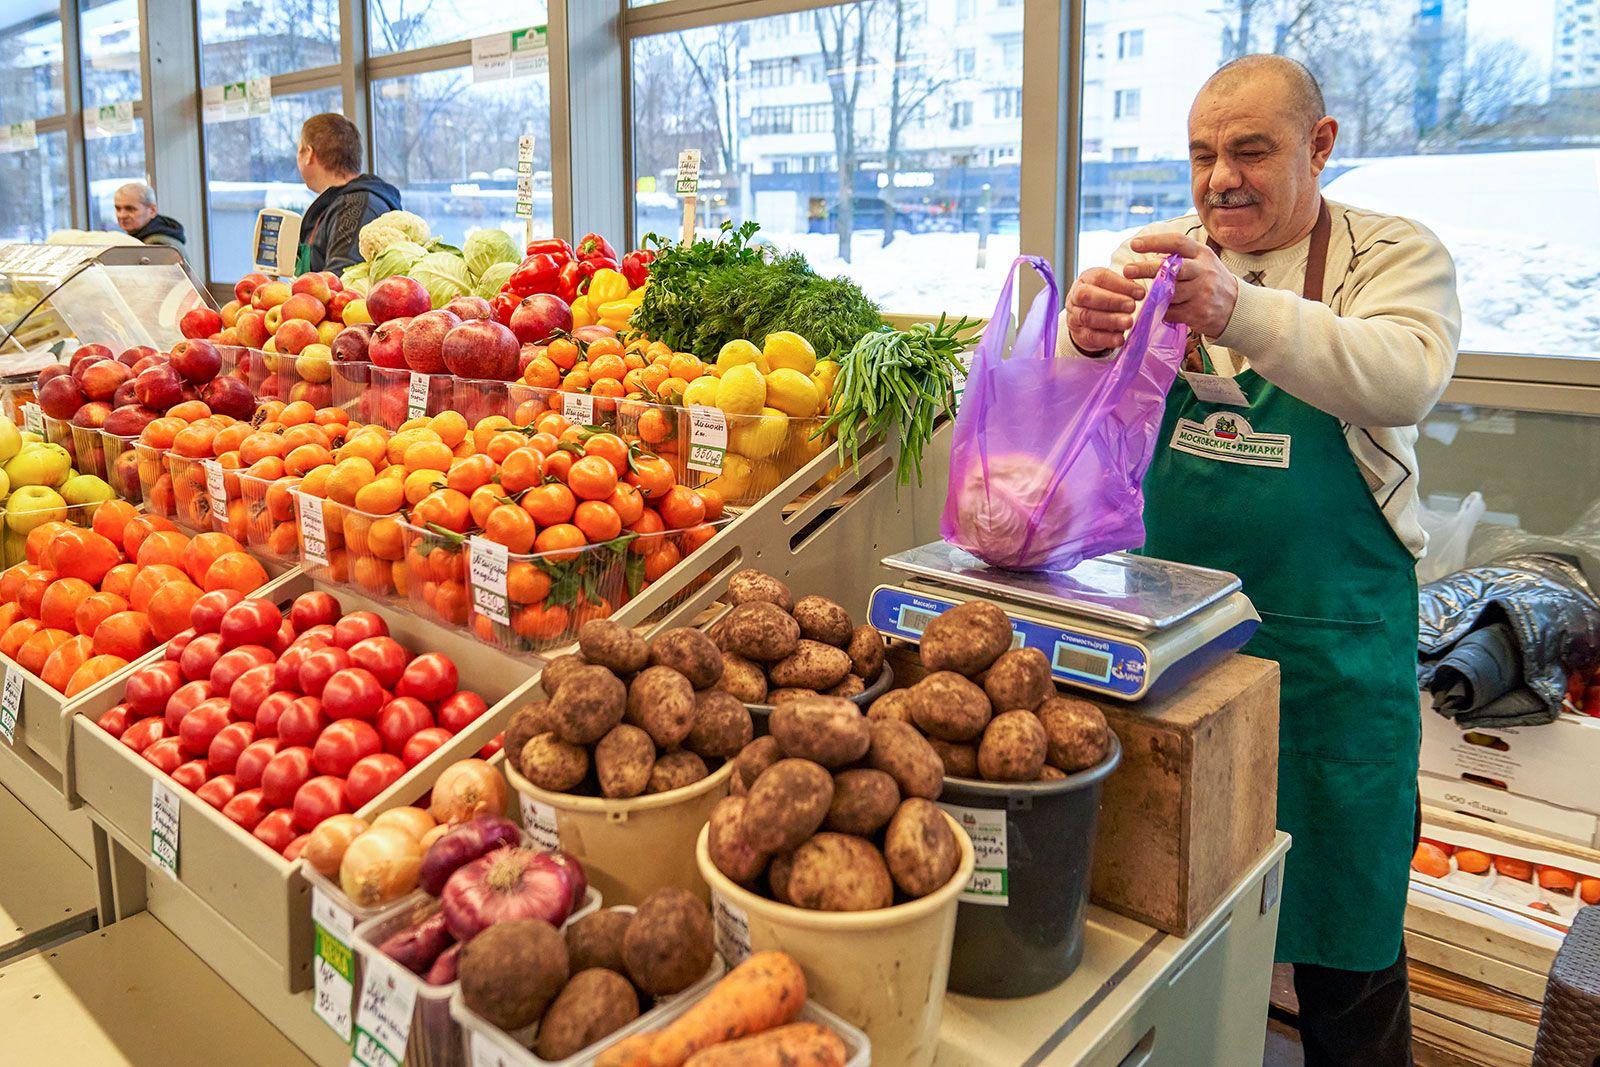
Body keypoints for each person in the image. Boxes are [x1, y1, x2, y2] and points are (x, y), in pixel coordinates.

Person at [1062, 55, 1460, 1066]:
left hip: (1333, 653)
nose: (1218, 180)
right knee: (1166, 910)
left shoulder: (1393, 252)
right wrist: (1086, 344)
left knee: (1348, 943)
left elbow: (1402, 376)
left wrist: (1233, 310)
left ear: (1319, 146)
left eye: (1249, 151)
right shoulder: (1162, 256)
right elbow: (1092, 424)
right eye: (1201, 155)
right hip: (1177, 643)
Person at [294, 112, 401, 275]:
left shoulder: (356, 206)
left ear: (309, 154)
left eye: (298, 150)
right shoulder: (333, 203)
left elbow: (341, 280)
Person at [113, 181, 188, 262]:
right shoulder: (148, 237)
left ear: (152, 210)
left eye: (130, 209)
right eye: (118, 209)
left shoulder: (156, 245)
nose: (122, 215)